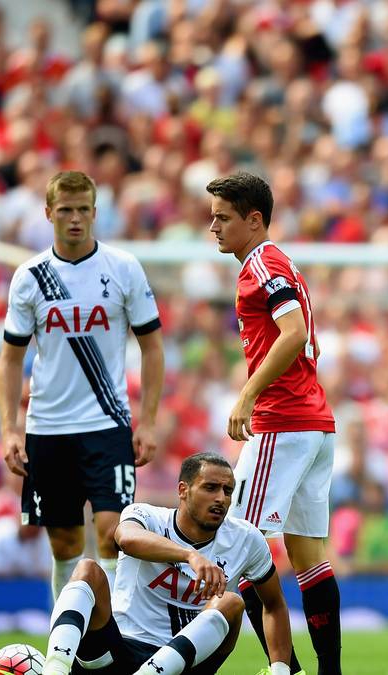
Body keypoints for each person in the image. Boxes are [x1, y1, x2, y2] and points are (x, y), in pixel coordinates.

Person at [0, 170, 165, 600]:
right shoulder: (30, 277)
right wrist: (10, 428)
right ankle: (66, 646)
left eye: (83, 210)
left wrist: (147, 421)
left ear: (95, 212)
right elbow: (11, 357)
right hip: (48, 426)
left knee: (114, 534)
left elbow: (152, 348)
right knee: (66, 545)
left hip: (107, 423)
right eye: (66, 210)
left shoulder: (123, 267)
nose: (75, 219)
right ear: (49, 213)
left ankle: (113, 642)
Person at [206, 172, 338, 675]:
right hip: (314, 424)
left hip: (282, 422)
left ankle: (286, 669)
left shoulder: (260, 263)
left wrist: (247, 394)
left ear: (253, 219)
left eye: (222, 217)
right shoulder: (281, 264)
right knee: (309, 559)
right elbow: (307, 338)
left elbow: (295, 332)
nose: (212, 226)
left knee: (237, 551)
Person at [40, 452, 294, 675]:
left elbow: (274, 604)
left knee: (232, 602)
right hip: (118, 652)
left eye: (227, 491)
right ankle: (55, 669)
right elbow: (125, 538)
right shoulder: (146, 516)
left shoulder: (246, 539)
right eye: (210, 488)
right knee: (88, 570)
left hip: (187, 664)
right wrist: (189, 555)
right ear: (183, 490)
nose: (221, 498)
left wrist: (281, 671)